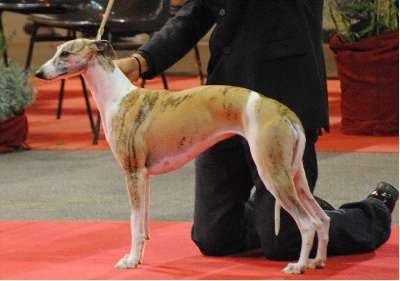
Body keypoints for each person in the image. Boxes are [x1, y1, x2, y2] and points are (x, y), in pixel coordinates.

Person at [114, 0, 398, 261]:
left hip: (284, 95)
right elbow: (195, 13)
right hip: (221, 105)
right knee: (214, 238)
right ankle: (282, 209)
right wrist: (143, 60)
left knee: (286, 244)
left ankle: (374, 211)